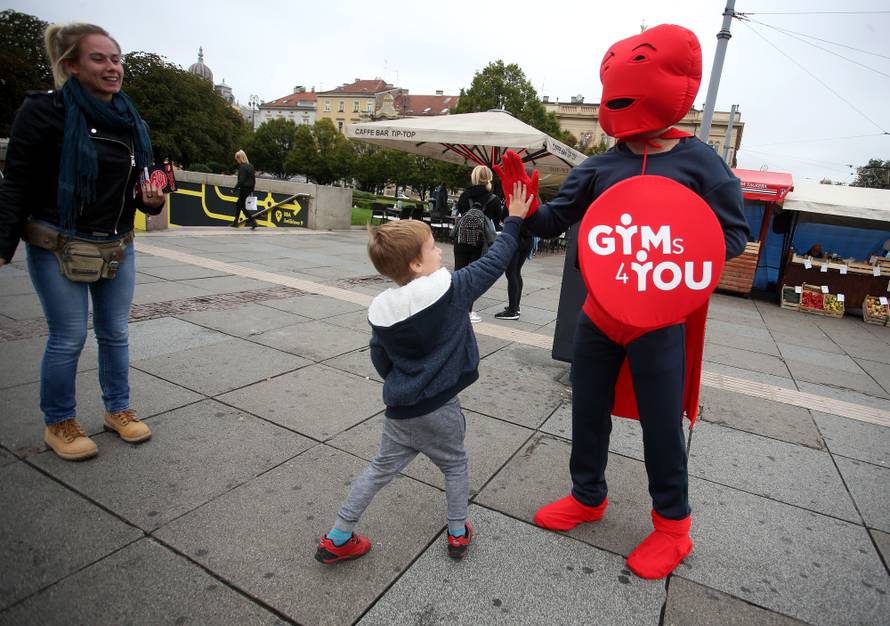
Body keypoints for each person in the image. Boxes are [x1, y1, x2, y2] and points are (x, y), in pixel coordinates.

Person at [495, 24, 749, 580]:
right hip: (599, 315)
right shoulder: (600, 166)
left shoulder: (699, 161)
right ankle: (587, 496)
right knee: (587, 411)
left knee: (662, 424)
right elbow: (552, 222)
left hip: (659, 320)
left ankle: (673, 526)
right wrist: (520, 204)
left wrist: (681, 257)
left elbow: (732, 234)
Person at [315, 182, 534, 564]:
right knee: (454, 464)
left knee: (379, 470)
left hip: (401, 409)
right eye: (433, 247)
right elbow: (496, 258)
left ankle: (338, 535)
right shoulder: (454, 289)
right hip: (439, 407)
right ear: (417, 263)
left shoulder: (384, 312)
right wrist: (514, 219)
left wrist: (403, 380)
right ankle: (456, 531)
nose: (440, 252)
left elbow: (379, 357)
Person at [0, 22, 166, 461]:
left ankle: (118, 410)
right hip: (58, 241)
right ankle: (60, 421)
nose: (112, 68)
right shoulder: (44, 111)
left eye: (116, 59)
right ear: (70, 65)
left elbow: (134, 187)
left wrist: (149, 201)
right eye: (99, 59)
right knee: (68, 336)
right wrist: (3, 243)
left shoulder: (132, 121)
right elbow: (16, 180)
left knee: (114, 333)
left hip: (116, 244)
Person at [454, 165, 501, 323]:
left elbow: (460, 212)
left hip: (461, 238)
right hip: (480, 242)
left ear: (473, 177)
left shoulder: (465, 195)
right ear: (489, 178)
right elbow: (497, 222)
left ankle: (455, 307)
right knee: (473, 276)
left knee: (459, 272)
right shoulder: (493, 199)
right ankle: (468, 311)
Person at [494, 201, 535, 320]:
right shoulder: (531, 200)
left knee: (511, 272)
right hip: (528, 238)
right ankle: (515, 306)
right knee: (516, 272)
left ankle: (512, 310)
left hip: (515, 237)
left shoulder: (512, 199)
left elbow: (503, 217)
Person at [232, 149, 257, 229]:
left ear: (240, 158)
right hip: (249, 188)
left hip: (244, 188)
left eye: (237, 159)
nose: (237, 161)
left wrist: (234, 189)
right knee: (239, 203)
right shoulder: (250, 166)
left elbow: (241, 180)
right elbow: (253, 179)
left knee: (241, 205)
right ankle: (235, 222)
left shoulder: (242, 167)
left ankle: (252, 221)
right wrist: (252, 190)